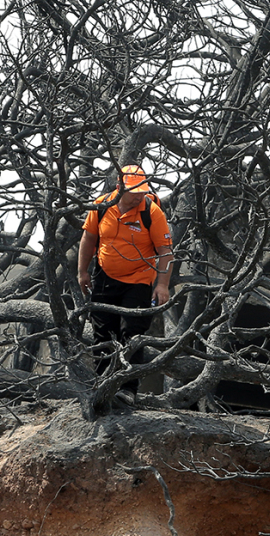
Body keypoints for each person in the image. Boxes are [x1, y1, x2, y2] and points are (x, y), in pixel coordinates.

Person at [77, 164, 173, 406]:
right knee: (102, 332)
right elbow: (88, 238)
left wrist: (162, 285)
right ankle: (102, 384)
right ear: (119, 188)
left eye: (143, 190)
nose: (139, 195)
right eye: (134, 191)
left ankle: (128, 389)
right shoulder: (101, 206)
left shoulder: (151, 212)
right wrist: (82, 272)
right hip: (104, 276)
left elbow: (165, 251)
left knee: (132, 333)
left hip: (139, 279)